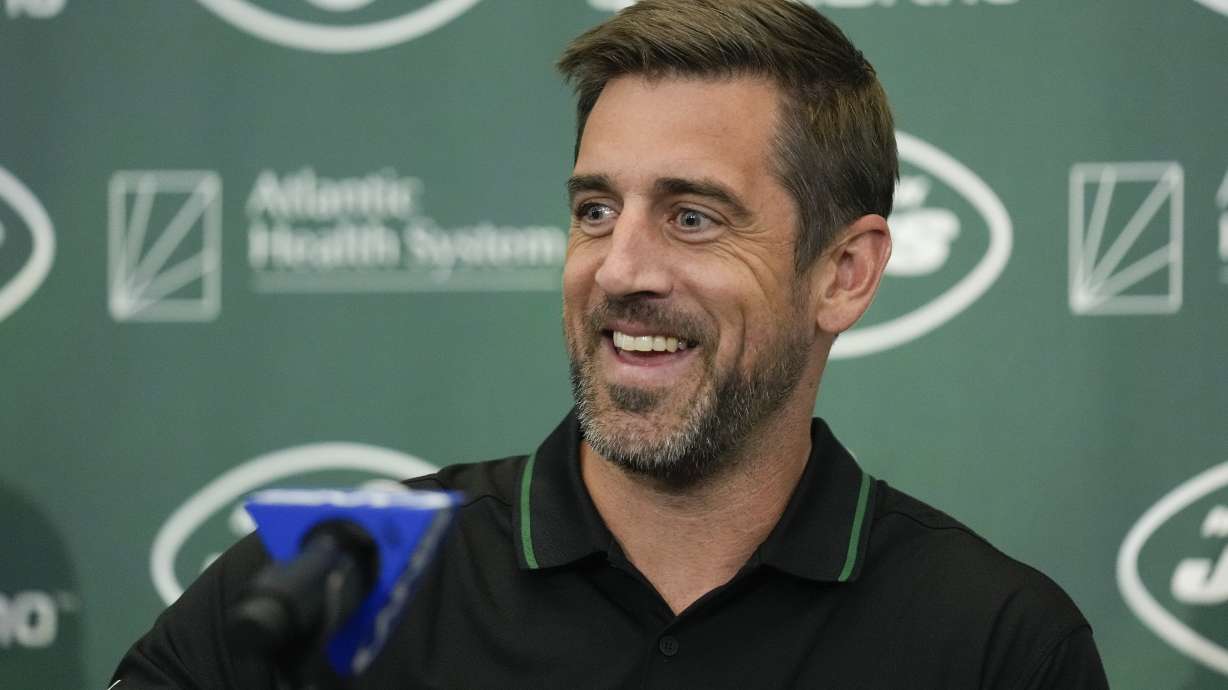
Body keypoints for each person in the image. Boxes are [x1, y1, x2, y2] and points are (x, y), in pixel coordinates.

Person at [113, 1, 1109, 687]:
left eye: (692, 218)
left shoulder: (994, 643)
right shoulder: (335, 579)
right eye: (595, 210)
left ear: (842, 273)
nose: (619, 267)